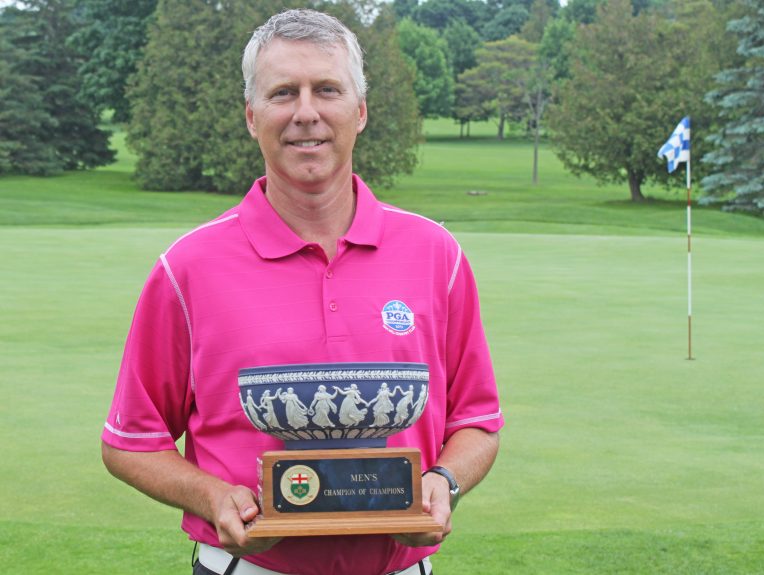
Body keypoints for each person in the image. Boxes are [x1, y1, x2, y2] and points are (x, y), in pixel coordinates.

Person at [101, 9, 502, 575]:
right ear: (251, 115)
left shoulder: (438, 255)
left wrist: (445, 480)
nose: (306, 113)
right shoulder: (187, 268)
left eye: (328, 90)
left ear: (359, 112)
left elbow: (478, 421)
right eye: (283, 92)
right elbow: (130, 440)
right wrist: (211, 496)